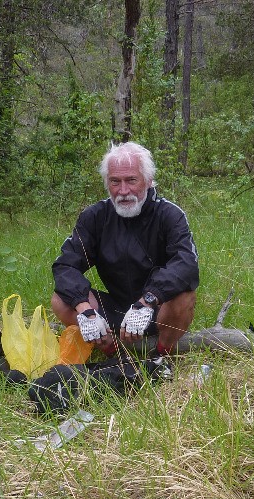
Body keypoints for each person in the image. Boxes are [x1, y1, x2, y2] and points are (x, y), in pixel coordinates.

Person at [51, 141, 199, 363]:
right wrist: (86, 311)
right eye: (115, 182)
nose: (123, 191)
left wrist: (147, 301)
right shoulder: (94, 217)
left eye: (131, 180)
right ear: (106, 183)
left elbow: (186, 264)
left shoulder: (169, 214)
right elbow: (65, 266)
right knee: (61, 300)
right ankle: (113, 352)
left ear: (148, 181)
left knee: (185, 294)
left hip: (157, 308)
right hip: (116, 309)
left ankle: (161, 355)